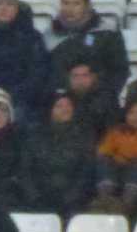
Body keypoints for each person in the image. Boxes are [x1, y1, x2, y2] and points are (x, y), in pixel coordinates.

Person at [46, 0, 125, 110]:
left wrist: (94, 84)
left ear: (87, 5)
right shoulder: (50, 35)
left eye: (76, 3)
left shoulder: (108, 32)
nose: (70, 9)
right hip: (64, 103)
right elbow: (48, 74)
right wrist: (68, 83)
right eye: (66, 3)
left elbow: (120, 70)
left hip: (102, 103)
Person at [22, 89, 96, 222]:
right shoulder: (35, 136)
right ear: (50, 110)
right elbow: (26, 170)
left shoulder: (84, 135)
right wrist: (35, 196)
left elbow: (86, 172)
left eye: (68, 105)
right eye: (59, 106)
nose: (65, 109)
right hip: (40, 199)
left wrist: (72, 196)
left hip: (73, 201)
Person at [93, 93, 137, 221]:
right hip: (118, 175)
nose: (135, 117)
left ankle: (125, 207)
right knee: (104, 162)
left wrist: (123, 157)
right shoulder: (116, 132)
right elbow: (103, 153)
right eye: (131, 113)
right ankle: (104, 201)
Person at [63, 59, 116, 139]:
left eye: (85, 75)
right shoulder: (61, 101)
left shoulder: (105, 100)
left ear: (93, 77)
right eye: (75, 76)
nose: (80, 80)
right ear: (69, 79)